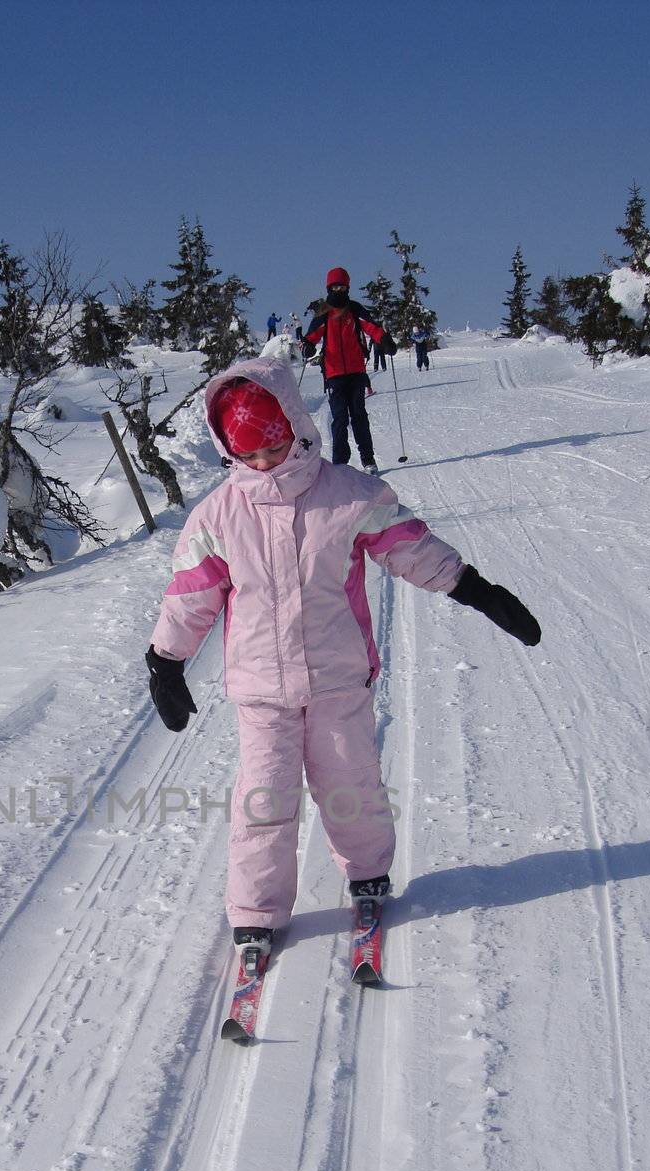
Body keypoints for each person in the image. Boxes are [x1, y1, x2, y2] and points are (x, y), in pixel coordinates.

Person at [144, 357, 541, 952]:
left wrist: (473, 588)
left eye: (272, 450)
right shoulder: (216, 516)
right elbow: (191, 595)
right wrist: (166, 660)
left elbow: (411, 548)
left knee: (350, 783)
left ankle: (368, 872)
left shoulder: (350, 496)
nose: (262, 465)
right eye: (247, 456)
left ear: (296, 428)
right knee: (264, 799)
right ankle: (257, 910)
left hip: (339, 678)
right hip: (260, 690)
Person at [300, 267, 396, 471]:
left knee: (359, 415)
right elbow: (313, 334)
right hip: (334, 373)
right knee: (340, 418)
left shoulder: (354, 308)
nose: (338, 290)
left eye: (342, 286)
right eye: (334, 286)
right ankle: (340, 464)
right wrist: (307, 345)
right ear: (329, 287)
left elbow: (371, 326)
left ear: (347, 287)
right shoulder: (324, 310)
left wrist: (384, 340)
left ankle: (368, 459)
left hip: (356, 371)